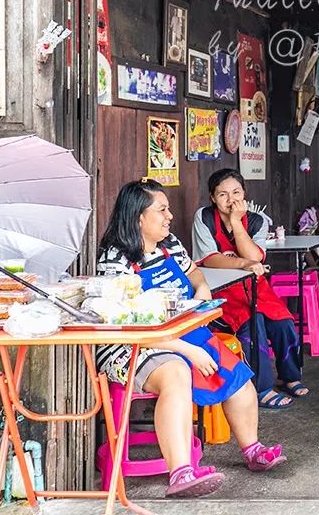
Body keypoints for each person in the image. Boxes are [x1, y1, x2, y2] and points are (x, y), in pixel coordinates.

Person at [96, 179, 285, 499]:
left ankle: (253, 450)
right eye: (162, 210)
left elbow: (194, 272)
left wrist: (202, 291)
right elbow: (128, 325)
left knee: (235, 372)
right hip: (132, 344)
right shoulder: (115, 258)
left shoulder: (170, 243)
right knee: (176, 372)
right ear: (138, 218)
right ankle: (181, 472)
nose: (170, 216)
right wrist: (184, 349)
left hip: (182, 331)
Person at [192, 168, 307, 410]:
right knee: (253, 324)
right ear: (212, 198)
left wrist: (236, 223)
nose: (230, 199)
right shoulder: (203, 218)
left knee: (282, 322)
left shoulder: (256, 221)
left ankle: (289, 376)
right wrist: (243, 263)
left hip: (256, 287)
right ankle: (262, 387)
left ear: (244, 194)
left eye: (236, 192)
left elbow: (255, 254)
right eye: (222, 194)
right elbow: (210, 258)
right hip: (223, 291)